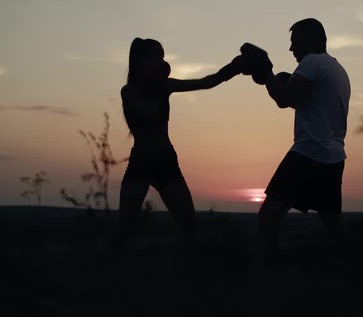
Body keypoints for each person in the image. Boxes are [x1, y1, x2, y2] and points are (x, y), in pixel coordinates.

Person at [241, 18, 351, 259]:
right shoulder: (337, 69)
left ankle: (266, 272)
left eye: (295, 42)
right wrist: (272, 80)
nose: (291, 49)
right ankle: (354, 272)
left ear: (311, 39)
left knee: (268, 215)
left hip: (308, 153)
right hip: (333, 158)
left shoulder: (312, 63)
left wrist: (265, 71)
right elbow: (297, 101)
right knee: (333, 225)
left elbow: (283, 98)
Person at [118, 38, 242, 245]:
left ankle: (193, 269)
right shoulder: (129, 91)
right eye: (157, 57)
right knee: (125, 228)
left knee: (189, 225)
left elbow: (206, 82)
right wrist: (159, 87)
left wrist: (234, 68)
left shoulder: (164, 85)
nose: (162, 62)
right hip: (140, 161)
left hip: (165, 159)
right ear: (142, 60)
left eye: (162, 57)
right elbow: (146, 113)